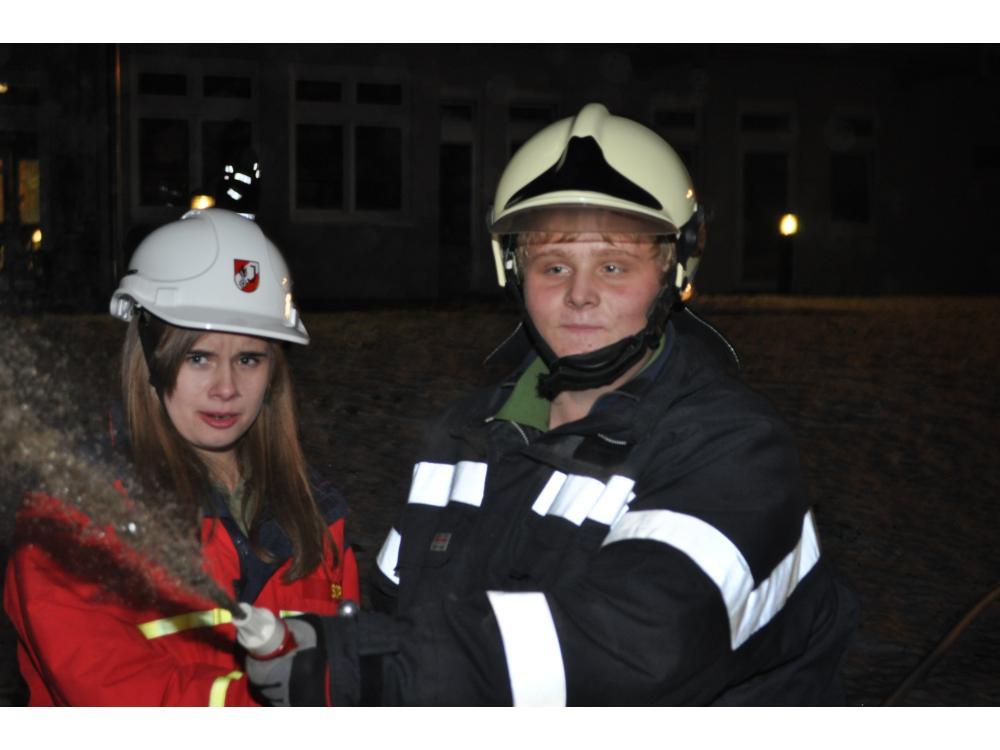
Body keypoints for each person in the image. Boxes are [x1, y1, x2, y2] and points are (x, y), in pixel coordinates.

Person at [244, 103, 857, 706]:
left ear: (674, 273)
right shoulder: (466, 437)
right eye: (555, 266)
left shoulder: (736, 452)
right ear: (513, 273)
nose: (580, 295)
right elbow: (401, 609)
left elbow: (635, 646)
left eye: (613, 266)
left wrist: (376, 669)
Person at [3, 208, 359, 705]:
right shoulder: (75, 521)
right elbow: (119, 700)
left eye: (249, 359)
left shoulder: (316, 516)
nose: (226, 388)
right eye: (198, 358)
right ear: (150, 360)